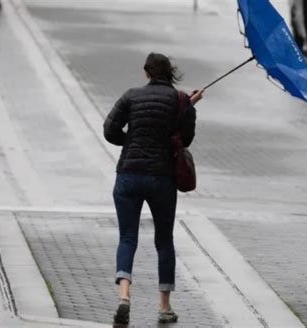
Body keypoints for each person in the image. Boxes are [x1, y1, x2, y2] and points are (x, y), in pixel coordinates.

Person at [103, 53, 203, 325]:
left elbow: (109, 130)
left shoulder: (130, 96)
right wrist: (188, 107)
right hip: (162, 177)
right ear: (169, 73)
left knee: (127, 238)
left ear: (146, 72)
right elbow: (186, 139)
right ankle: (164, 306)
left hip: (129, 175)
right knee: (164, 240)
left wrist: (131, 141)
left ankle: (124, 296)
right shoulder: (180, 100)